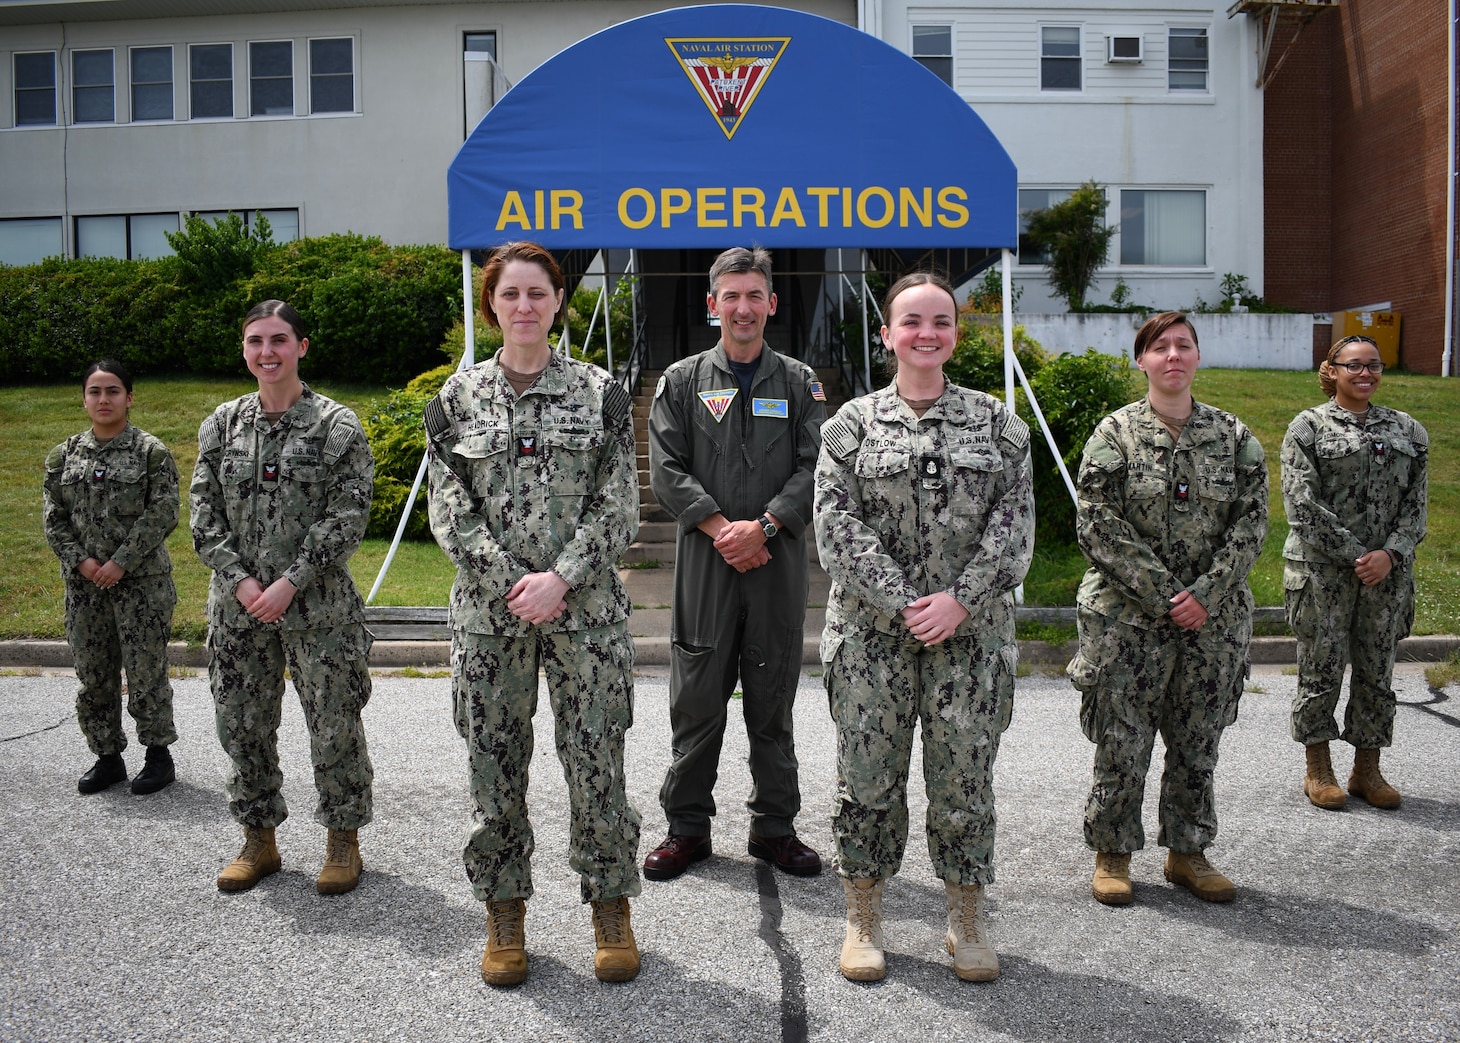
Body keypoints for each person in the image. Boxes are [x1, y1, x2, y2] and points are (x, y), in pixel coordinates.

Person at [425, 241, 643, 986]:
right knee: (493, 764)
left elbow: (620, 507)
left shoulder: (601, 393)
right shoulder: (456, 402)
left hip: (585, 619)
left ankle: (610, 903)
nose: (524, 305)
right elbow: (449, 513)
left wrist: (561, 578)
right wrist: (515, 580)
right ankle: (504, 908)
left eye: (538, 293)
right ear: (492, 304)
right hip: (491, 622)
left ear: (558, 301)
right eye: (510, 293)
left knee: (597, 762)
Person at [814, 273, 1034, 983]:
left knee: (964, 781)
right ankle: (864, 915)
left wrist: (959, 600)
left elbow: (1013, 528)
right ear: (887, 333)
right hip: (873, 636)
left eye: (940, 321)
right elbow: (836, 527)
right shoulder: (849, 426)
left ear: (956, 335)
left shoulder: (999, 427)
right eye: (911, 321)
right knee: (868, 780)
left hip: (969, 640)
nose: (926, 333)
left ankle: (965, 916)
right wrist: (908, 599)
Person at [1068, 311, 1268, 908]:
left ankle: (1188, 852)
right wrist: (1166, 594)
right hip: (1127, 621)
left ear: (1198, 357)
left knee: (1198, 738)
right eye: (1160, 347)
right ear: (1142, 361)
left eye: (1184, 345)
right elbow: (1097, 522)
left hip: (1212, 622)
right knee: (1122, 739)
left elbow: (1252, 523)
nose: (1173, 356)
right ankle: (1113, 853)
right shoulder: (1115, 435)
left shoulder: (1234, 438)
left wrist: (1202, 595)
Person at [645, 246, 826, 882]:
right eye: (732, 295)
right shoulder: (683, 381)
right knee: (696, 697)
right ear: (712, 303)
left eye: (755, 295)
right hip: (707, 560)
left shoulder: (801, 383)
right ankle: (686, 828)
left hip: (777, 562)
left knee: (772, 700)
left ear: (772, 303)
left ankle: (774, 829)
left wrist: (768, 524)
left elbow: (818, 466)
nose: (743, 307)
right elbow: (665, 469)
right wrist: (726, 530)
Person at [191, 300, 375, 897]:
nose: (265, 352)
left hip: (318, 607)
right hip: (240, 607)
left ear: (301, 346)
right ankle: (258, 838)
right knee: (241, 723)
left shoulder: (336, 426)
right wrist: (242, 580)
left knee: (334, 724)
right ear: (244, 349)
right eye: (254, 341)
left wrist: (290, 580)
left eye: (278, 340)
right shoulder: (222, 424)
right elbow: (203, 510)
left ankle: (342, 840)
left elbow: (348, 516)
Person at [1282, 335, 1427, 811]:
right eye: (1354, 366)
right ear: (1333, 371)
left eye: (1374, 366)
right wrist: (1356, 554)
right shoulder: (1307, 428)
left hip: (1387, 574)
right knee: (1320, 669)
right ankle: (1317, 768)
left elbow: (1416, 508)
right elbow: (1302, 505)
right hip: (1323, 573)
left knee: (1377, 671)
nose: (1365, 374)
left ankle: (1368, 768)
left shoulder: (1408, 430)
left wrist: (1390, 553)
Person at [44, 360, 180, 796]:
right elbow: (54, 519)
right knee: (93, 674)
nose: (104, 400)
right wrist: (82, 562)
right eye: (95, 391)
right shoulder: (63, 456)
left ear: (129, 397)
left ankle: (158, 756)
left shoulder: (150, 452)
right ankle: (107, 757)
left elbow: (164, 511)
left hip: (142, 584)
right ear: (84, 398)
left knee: (146, 672)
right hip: (85, 588)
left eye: (113, 391)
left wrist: (121, 561)